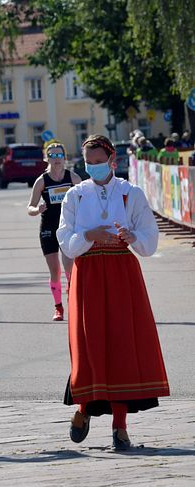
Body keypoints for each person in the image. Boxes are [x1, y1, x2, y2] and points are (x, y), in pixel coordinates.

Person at [57, 134, 169, 451]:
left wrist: (132, 235)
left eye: (98, 162)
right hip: (88, 274)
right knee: (90, 345)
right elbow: (64, 237)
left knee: (122, 346)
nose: (92, 168)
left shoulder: (130, 193)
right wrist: (86, 235)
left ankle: (120, 426)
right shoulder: (76, 196)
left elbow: (149, 236)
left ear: (112, 161)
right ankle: (83, 409)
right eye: (87, 163)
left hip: (122, 273)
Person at [27, 142, 82, 321]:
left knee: (70, 269)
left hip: (67, 228)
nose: (56, 159)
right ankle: (58, 308)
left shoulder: (73, 179)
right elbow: (30, 207)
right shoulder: (42, 181)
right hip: (49, 228)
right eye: (52, 155)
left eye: (60, 155)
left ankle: (73, 302)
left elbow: (87, 201)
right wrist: (38, 210)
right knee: (55, 271)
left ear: (64, 158)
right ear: (46, 158)